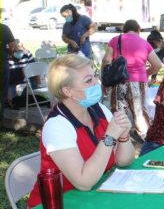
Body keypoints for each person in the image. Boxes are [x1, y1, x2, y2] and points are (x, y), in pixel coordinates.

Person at [28, 54, 135, 208]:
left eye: (95, 76)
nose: (97, 82)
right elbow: (84, 183)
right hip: (60, 203)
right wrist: (110, 136)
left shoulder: (99, 109)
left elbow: (124, 161)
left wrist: (123, 135)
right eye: (88, 80)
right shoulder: (57, 126)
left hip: (97, 197)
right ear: (68, 91)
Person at [102, 20, 163, 140]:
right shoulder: (145, 44)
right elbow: (158, 65)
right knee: (139, 112)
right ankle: (149, 139)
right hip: (138, 81)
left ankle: (120, 139)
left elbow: (106, 60)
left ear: (124, 30)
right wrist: (145, 74)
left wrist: (104, 80)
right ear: (138, 30)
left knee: (119, 112)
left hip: (118, 81)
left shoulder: (115, 40)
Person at [0, 22, 19, 130]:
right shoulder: (2, 28)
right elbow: (14, 47)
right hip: (0, 63)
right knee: (1, 94)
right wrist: (10, 51)